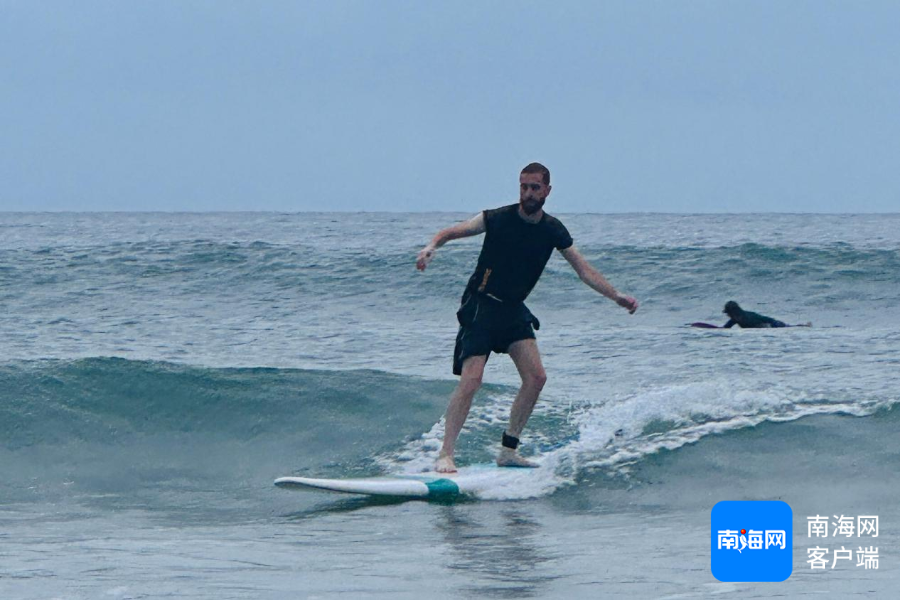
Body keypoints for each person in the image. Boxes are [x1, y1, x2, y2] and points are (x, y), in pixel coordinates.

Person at [415, 162, 638, 473]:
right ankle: (445, 453)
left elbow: (583, 270)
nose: (528, 193)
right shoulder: (497, 218)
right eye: (524, 187)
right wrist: (431, 247)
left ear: (547, 190)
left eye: (535, 187)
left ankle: (508, 451)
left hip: (512, 309)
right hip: (481, 305)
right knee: (472, 379)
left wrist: (617, 296)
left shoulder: (552, 230)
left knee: (536, 378)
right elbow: (452, 231)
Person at [721, 300, 806, 328]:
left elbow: (763, 325)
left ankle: (804, 326)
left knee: (789, 327)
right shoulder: (735, 319)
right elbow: (725, 328)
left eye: (728, 313)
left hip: (772, 323)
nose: (727, 315)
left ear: (733, 312)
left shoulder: (746, 317)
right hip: (766, 325)